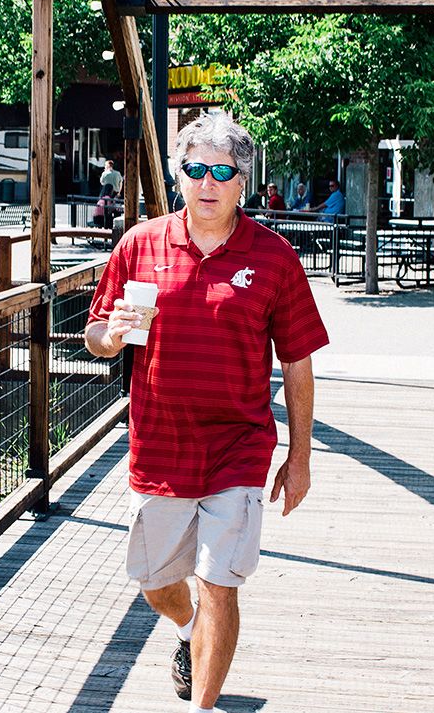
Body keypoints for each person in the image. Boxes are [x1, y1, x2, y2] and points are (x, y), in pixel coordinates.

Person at [84, 112, 329, 713]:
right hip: (161, 448)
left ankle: (204, 704)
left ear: (243, 180)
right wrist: (110, 336)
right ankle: (187, 628)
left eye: (223, 171)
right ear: (180, 175)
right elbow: (95, 331)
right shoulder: (139, 244)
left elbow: (298, 362)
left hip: (238, 449)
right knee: (155, 582)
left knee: (221, 583)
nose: (208, 183)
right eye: (196, 169)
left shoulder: (273, 258)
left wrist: (299, 459)